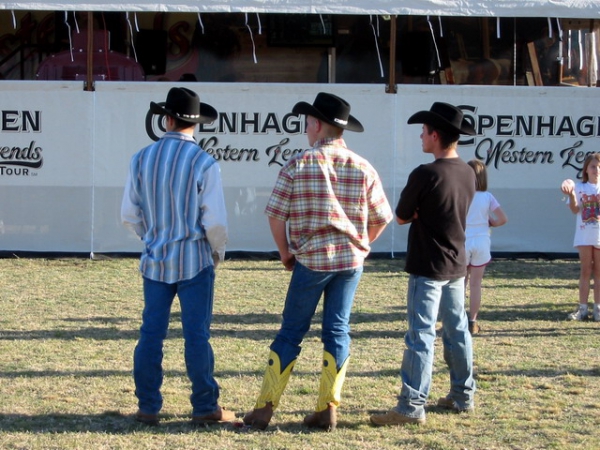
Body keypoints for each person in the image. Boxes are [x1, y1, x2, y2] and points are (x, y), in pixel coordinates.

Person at [243, 92, 393, 431]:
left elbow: (276, 215)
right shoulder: (363, 165)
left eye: (307, 123)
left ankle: (265, 408)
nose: (306, 129)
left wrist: (284, 252)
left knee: (291, 331)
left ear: (316, 124)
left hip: (311, 259)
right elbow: (382, 216)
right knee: (337, 330)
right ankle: (327, 408)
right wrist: (363, 244)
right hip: (349, 261)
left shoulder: (298, 163)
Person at [121, 87, 234, 426]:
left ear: (167, 119)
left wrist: (152, 236)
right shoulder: (204, 162)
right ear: (194, 124)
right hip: (194, 259)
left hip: (156, 259)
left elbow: (129, 213)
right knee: (196, 335)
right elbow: (214, 220)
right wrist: (217, 252)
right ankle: (204, 406)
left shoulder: (141, 158)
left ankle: (148, 405)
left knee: (150, 334)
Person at [370, 102, 477, 426]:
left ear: (435, 135)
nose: (420, 137)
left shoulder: (425, 173)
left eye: (423, 132)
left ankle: (411, 405)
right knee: (457, 331)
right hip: (456, 263)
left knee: (420, 334)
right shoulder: (468, 172)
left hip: (428, 265)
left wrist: (418, 213)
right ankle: (463, 394)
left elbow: (401, 215)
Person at [464, 159, 508, 334]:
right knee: (476, 284)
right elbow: (503, 219)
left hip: (464, 240)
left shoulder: (462, 195)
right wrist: (492, 223)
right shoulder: (488, 197)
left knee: (460, 283)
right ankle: (473, 321)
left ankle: (456, 318)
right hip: (482, 241)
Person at [560, 152, 600, 322]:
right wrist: (570, 194)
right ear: (586, 169)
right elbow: (575, 209)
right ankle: (582, 309)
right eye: (593, 166)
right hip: (584, 234)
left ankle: (597, 309)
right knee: (586, 270)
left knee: (599, 272)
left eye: (599, 166)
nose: (596, 169)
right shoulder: (579, 187)